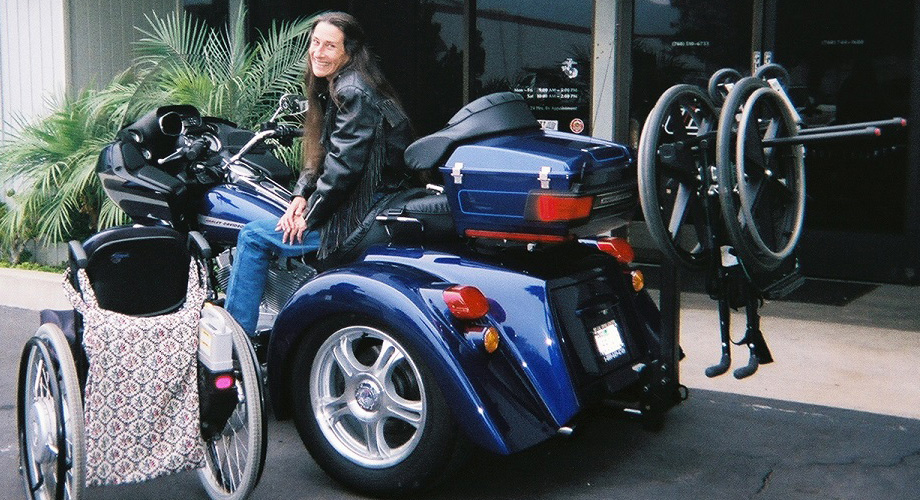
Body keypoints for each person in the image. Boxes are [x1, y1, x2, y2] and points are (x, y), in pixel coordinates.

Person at [224, 11, 414, 336]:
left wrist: (309, 216)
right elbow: (322, 152)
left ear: (349, 52)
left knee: (253, 236)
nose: (318, 52)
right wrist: (300, 194)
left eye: (330, 46)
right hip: (371, 199)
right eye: (315, 42)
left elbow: (343, 169)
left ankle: (234, 339)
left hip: (361, 209)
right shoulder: (346, 85)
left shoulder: (352, 92)